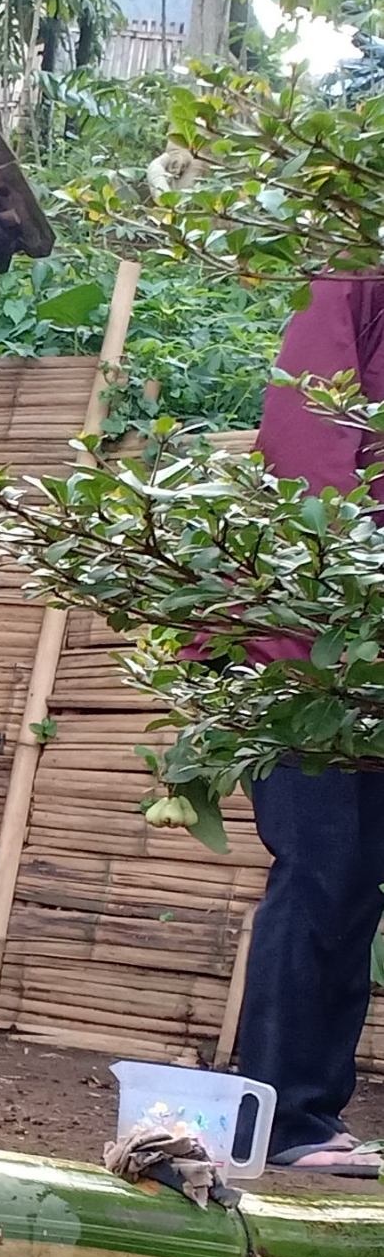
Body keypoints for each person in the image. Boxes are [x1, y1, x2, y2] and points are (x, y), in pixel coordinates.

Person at [237, 278, 384, 1174]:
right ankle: (280, 1120)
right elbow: (307, 445)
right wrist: (347, 590)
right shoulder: (353, 275)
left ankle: (310, 1119)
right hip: (314, 645)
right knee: (320, 868)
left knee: (358, 878)